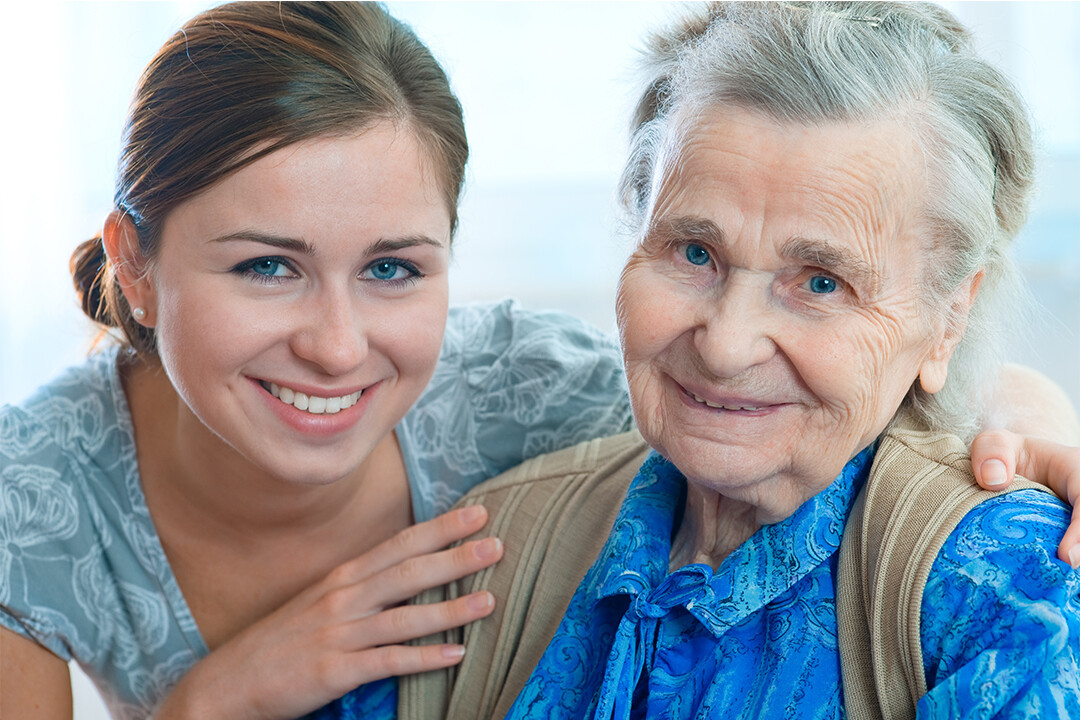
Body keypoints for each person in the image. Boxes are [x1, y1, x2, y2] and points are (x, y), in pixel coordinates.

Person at [0, 3, 1075, 720]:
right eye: (693, 251)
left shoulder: (1000, 591)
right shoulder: (30, 497)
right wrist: (204, 702)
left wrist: (1025, 418)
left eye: (391, 269)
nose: (335, 345)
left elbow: (830, 403)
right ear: (134, 265)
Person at [400, 3, 1080, 719]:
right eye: (695, 252)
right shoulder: (491, 548)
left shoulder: (1014, 592)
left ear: (948, 320)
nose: (725, 346)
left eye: (822, 282)